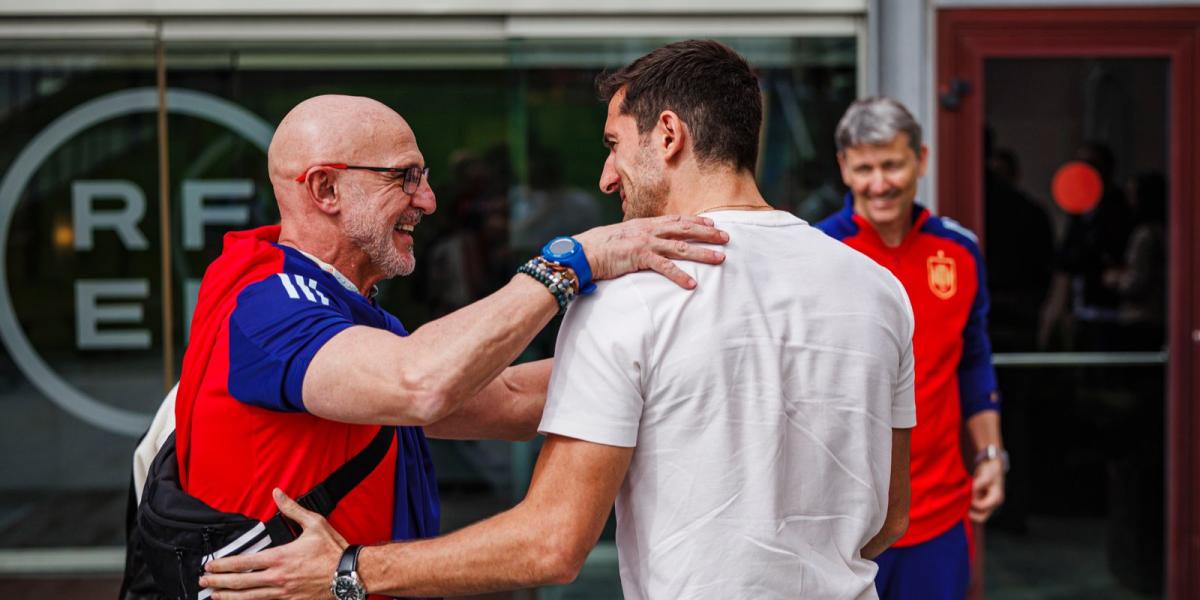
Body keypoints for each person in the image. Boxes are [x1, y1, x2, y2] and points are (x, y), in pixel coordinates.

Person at [202, 40, 915, 600]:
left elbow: (547, 540)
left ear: (667, 135)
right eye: (406, 178)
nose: (606, 179)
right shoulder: (879, 289)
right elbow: (887, 520)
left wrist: (349, 572)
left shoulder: (633, 295)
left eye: (611, 145)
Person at [173, 93, 729, 595]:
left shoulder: (338, 310)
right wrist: (573, 261)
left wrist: (667, 352)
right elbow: (420, 382)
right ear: (326, 188)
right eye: (405, 177)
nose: (430, 200)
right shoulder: (266, 301)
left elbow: (508, 395)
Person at [815, 97, 1006, 599]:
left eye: (893, 165)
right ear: (844, 169)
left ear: (920, 159)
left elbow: (972, 359)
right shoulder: (817, 254)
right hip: (841, 518)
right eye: (865, 168)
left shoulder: (959, 251)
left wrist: (989, 453)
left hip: (939, 512)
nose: (879, 183)